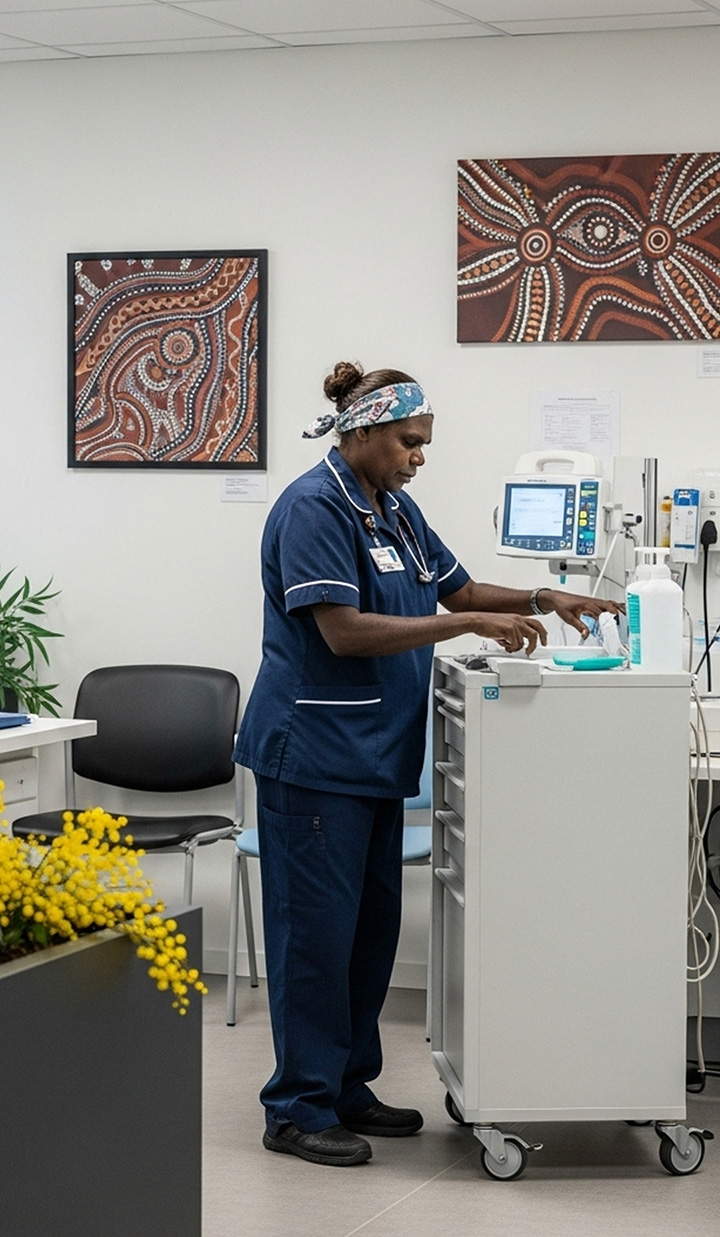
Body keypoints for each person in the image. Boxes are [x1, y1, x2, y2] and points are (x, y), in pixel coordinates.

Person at [233, 362, 621, 1168]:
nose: (418, 457)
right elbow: (342, 630)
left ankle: (347, 1086)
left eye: (424, 444)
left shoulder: (395, 511)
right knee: (316, 939)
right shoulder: (313, 507)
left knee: (368, 934)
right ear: (365, 430)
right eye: (410, 441)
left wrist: (545, 598)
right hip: (313, 758)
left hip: (374, 758)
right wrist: (467, 626)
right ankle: (296, 1106)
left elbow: (460, 590)